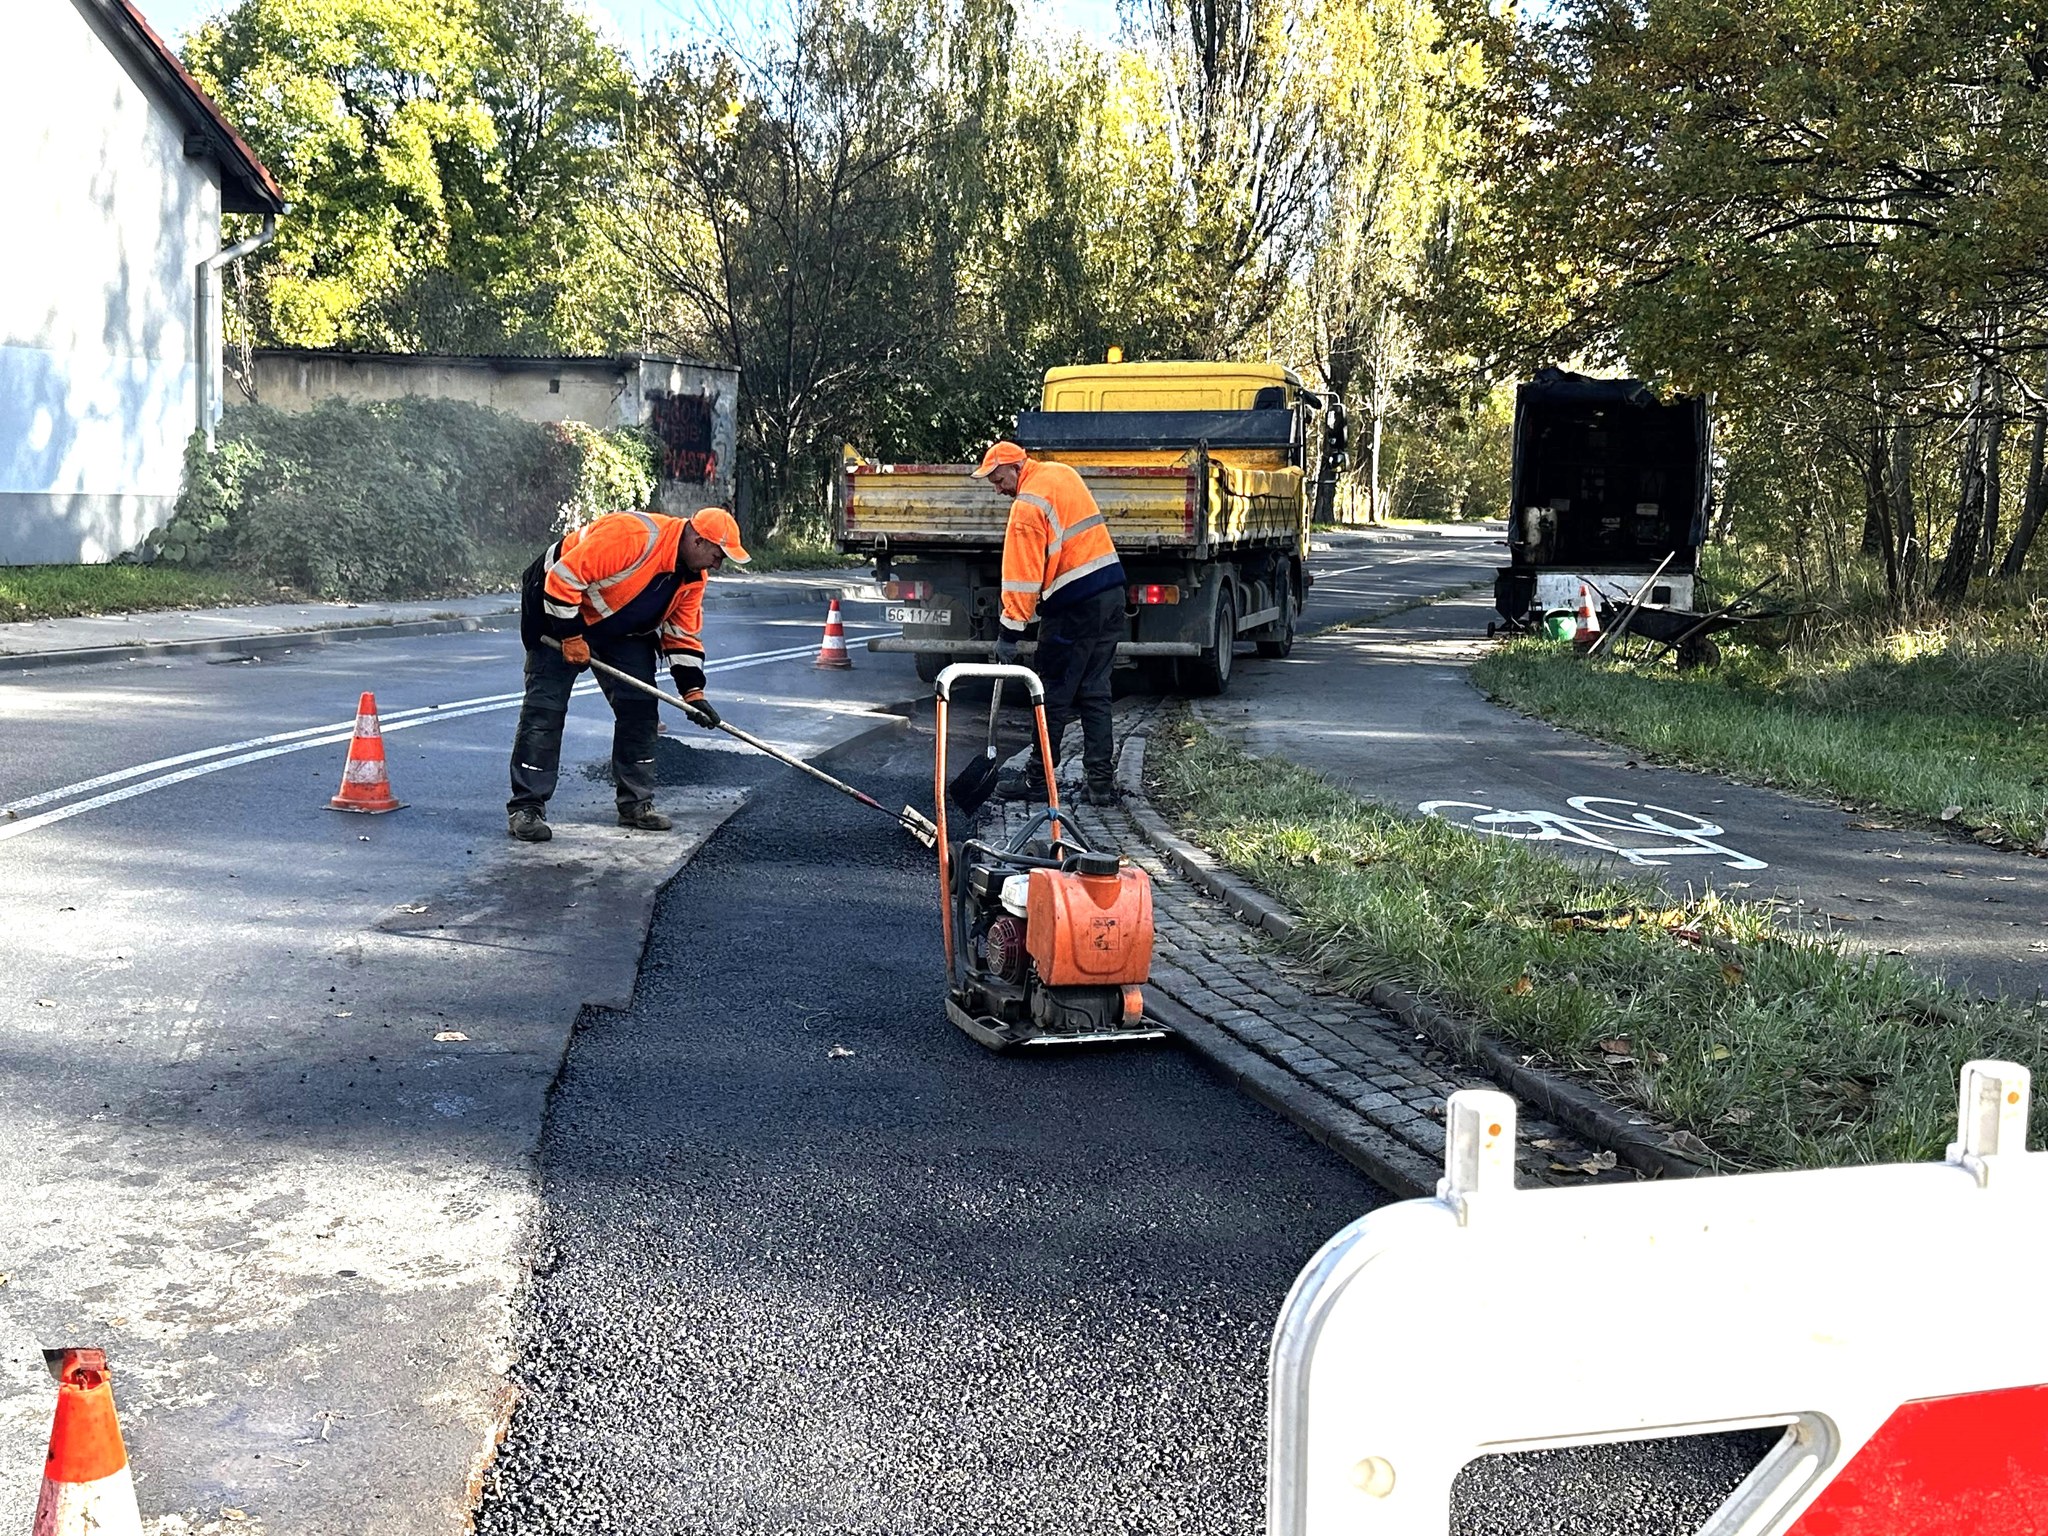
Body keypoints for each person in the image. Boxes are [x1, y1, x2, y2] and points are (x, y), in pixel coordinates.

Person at [506, 507, 750, 843]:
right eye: (717, 554)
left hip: (621, 628)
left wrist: (694, 694)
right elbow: (562, 581)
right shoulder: (633, 537)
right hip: (557, 610)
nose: (718, 564)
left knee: (640, 708)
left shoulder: (693, 579)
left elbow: (682, 636)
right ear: (697, 540)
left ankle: (636, 804)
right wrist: (572, 636)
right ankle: (526, 808)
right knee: (544, 710)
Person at [972, 439, 1126, 806]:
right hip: (1111, 594)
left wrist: (1009, 632)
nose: (997, 490)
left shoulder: (1026, 507)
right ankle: (1101, 785)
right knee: (1095, 691)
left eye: (998, 479)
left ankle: (1039, 779)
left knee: (1052, 694)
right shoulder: (1062, 473)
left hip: (1073, 606)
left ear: (1015, 467)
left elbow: (1021, 577)